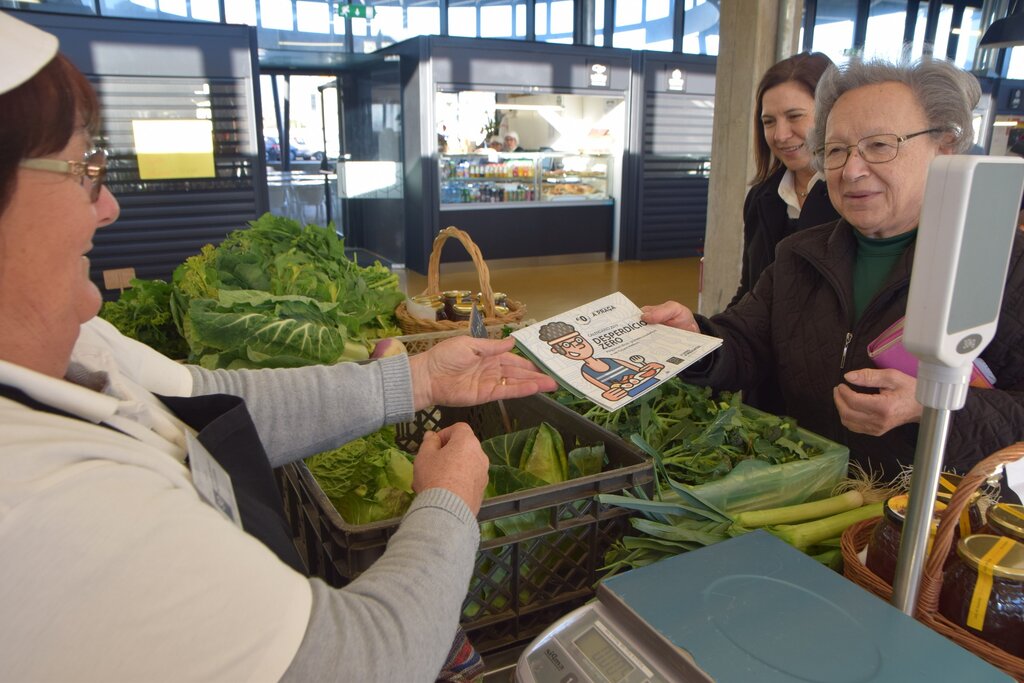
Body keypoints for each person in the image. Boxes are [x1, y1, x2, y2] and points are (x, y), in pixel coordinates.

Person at [0, 12, 558, 683]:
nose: (109, 205)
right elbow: (369, 659)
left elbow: (208, 401)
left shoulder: (76, 346)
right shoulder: (48, 507)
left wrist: (416, 379)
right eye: (85, 168)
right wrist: (449, 501)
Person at [643, 56, 1024, 489]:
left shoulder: (1004, 265)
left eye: (880, 145)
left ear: (946, 147)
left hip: (924, 520)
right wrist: (694, 338)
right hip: (805, 498)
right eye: (836, 150)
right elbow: (746, 343)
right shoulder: (801, 254)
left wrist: (933, 406)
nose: (852, 169)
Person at [730, 52, 840, 308]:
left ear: (832, 114)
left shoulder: (855, 198)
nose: (780, 135)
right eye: (769, 122)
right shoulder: (761, 198)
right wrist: (705, 332)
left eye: (795, 116)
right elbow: (750, 292)